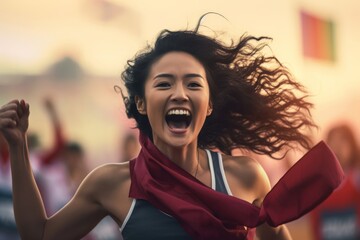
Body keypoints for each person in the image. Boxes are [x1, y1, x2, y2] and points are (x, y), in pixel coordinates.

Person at [0, 14, 343, 240]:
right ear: (141, 102)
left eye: (193, 84)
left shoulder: (245, 176)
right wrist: (18, 147)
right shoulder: (112, 183)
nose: (179, 93)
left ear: (208, 105)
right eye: (164, 84)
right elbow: (39, 236)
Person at [309, 123, 360, 240]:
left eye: (343, 140)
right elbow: (316, 227)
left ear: (352, 146)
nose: (337, 146)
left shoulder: (356, 179)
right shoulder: (318, 189)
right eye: (333, 141)